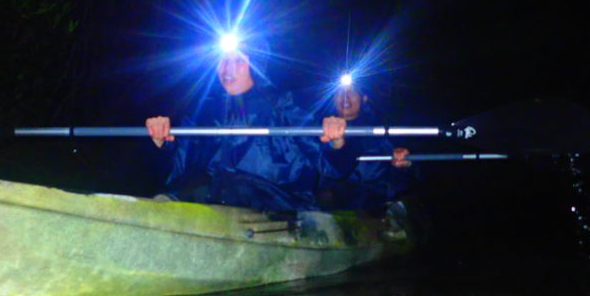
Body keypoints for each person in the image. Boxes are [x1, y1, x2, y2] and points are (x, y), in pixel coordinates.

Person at [145, 49, 351, 211]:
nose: (227, 69)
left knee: (229, 186)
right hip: (214, 195)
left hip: (280, 201)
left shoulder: (285, 106)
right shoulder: (203, 112)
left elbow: (332, 168)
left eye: (238, 61)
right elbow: (177, 170)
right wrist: (162, 144)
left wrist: (336, 142)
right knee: (195, 186)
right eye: (223, 61)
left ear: (255, 65)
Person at [315, 82, 412, 212]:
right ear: (333, 100)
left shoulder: (383, 129)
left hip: (376, 207)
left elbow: (401, 183)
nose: (345, 97)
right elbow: (323, 171)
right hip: (333, 207)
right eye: (340, 93)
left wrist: (403, 165)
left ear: (364, 98)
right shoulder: (317, 127)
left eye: (352, 92)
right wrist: (337, 144)